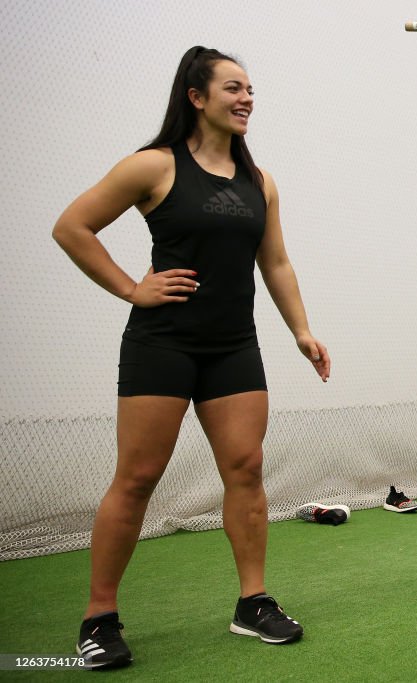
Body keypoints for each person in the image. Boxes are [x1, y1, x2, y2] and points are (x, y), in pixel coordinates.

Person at [52, 46, 330, 669]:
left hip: (234, 345)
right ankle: (99, 618)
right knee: (138, 477)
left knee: (246, 469)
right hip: (163, 343)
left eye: (252, 89)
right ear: (196, 97)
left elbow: (275, 261)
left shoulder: (260, 182)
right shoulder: (152, 166)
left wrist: (301, 331)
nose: (247, 98)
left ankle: (252, 602)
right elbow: (72, 226)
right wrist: (131, 287)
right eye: (234, 88)